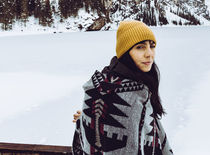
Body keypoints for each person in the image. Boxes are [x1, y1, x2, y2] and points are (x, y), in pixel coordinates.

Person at [72, 20, 173, 155]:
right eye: (140, 47)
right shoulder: (133, 97)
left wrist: (84, 119)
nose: (149, 53)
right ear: (126, 52)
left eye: (152, 46)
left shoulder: (99, 84)